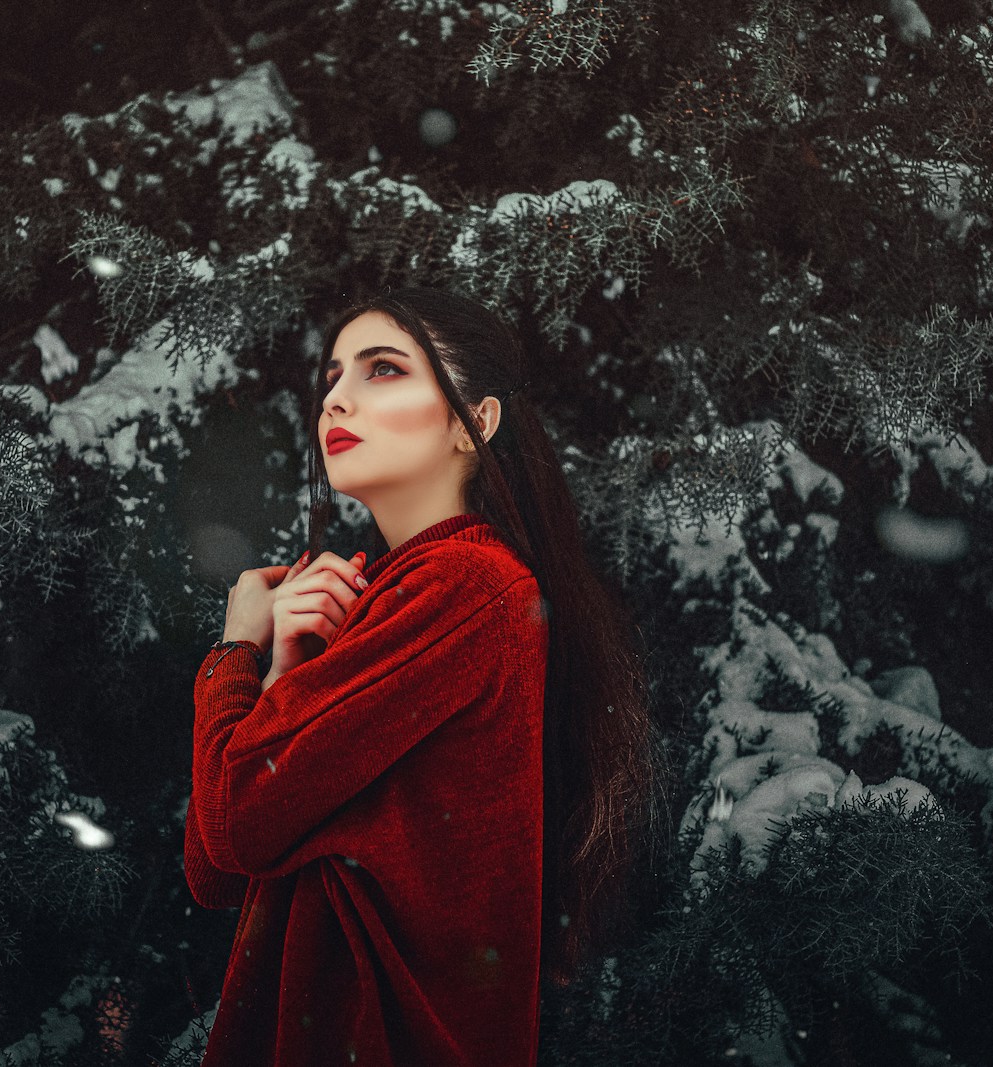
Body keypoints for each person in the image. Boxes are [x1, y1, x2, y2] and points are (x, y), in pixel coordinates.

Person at [184, 287, 671, 1066]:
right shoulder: (393, 599)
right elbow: (217, 867)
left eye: (383, 370)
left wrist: (234, 650)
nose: (337, 399)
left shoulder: (464, 587)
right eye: (334, 378)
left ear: (475, 423)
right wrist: (280, 668)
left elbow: (236, 819)